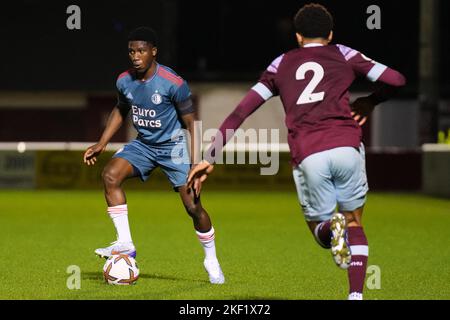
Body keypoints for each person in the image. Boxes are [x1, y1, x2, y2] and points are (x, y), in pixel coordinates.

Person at [188, 3, 405, 298]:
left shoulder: (281, 64)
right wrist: (371, 101)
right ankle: (356, 295)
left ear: (298, 37)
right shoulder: (344, 53)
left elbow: (241, 112)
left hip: (309, 153)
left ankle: (331, 227)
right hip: (347, 146)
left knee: (320, 230)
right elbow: (396, 79)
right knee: (355, 221)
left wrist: (209, 157)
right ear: (329, 34)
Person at [83, 27, 224, 284]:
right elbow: (120, 109)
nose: (135, 56)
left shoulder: (174, 83)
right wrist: (102, 142)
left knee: (193, 207)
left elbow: (192, 124)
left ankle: (211, 258)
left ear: (153, 52)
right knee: (110, 175)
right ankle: (125, 243)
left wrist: (195, 164)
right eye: (131, 51)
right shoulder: (124, 80)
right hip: (144, 145)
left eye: (141, 50)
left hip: (174, 147)